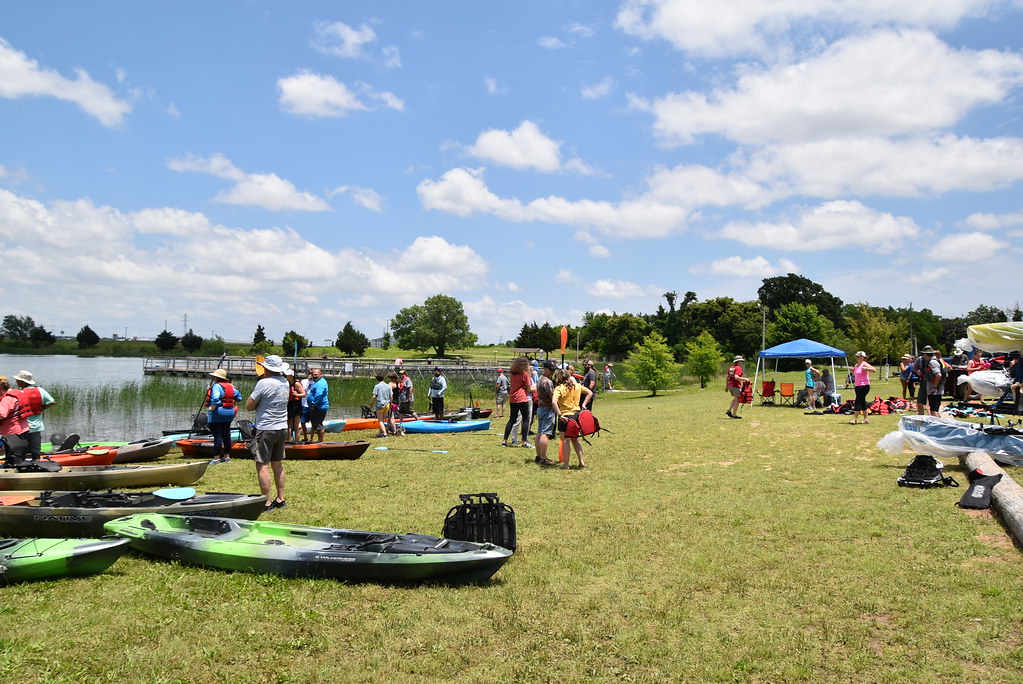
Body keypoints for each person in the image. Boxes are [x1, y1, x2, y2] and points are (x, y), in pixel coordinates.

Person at [246, 355, 290, 512]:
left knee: (262, 464)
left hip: (266, 427)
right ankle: (281, 498)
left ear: (267, 368)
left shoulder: (263, 383)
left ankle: (266, 502)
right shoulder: (285, 382)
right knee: (277, 463)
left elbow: (249, 406)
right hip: (282, 427)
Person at [553, 368, 592, 469]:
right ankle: (581, 461)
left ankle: (566, 464)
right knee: (575, 440)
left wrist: (559, 415)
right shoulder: (577, 386)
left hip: (565, 416)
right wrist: (583, 404)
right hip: (576, 415)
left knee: (565, 440)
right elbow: (589, 393)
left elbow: (554, 402)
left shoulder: (559, 388)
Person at [13, 370, 55, 459]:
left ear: (22, 382)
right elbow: (52, 402)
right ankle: (37, 467)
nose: (16, 382)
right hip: (37, 427)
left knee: (21, 451)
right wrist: (42, 408)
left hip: (23, 428)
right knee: (35, 452)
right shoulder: (40, 390)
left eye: (17, 380)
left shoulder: (19, 393)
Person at [206, 368, 241, 463]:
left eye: (214, 376)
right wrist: (233, 405)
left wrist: (212, 408)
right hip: (229, 412)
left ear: (217, 378)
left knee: (217, 435)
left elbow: (215, 399)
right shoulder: (230, 386)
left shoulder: (217, 386)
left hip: (218, 412)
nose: (213, 378)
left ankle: (216, 458)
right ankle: (226, 457)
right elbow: (239, 397)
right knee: (226, 434)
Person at [501, 356, 536, 448]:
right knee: (526, 419)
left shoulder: (513, 373)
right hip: (522, 398)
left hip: (513, 399)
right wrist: (536, 389)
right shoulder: (525, 374)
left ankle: (504, 441)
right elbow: (529, 389)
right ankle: (524, 442)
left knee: (512, 419)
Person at [533, 360, 558, 466]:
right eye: (550, 370)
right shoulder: (548, 382)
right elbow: (553, 397)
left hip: (540, 408)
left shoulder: (540, 379)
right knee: (545, 434)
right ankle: (543, 458)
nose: (552, 372)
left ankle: (538, 456)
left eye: (553, 370)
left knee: (540, 433)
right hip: (548, 410)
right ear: (545, 369)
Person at [0, 377, 29, 465]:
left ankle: (12, 474)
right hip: (23, 430)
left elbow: (1, 414)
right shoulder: (16, 393)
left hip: (12, 433)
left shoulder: (7, 399)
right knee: (18, 457)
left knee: (13, 459)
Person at [848, 351, 877, 425]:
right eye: (857, 356)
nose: (857, 358)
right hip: (857, 385)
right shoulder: (856, 365)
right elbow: (857, 374)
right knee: (862, 401)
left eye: (859, 356)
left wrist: (866, 368)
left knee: (858, 401)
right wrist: (852, 371)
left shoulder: (864, 364)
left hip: (864, 385)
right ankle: (866, 419)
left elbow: (874, 370)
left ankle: (854, 419)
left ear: (863, 357)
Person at [914, 346, 942, 416]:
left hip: (932, 384)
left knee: (932, 406)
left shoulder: (934, 362)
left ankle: (932, 419)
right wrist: (918, 371)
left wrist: (935, 387)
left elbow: (938, 375)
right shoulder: (920, 360)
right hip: (924, 382)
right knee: (920, 402)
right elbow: (914, 366)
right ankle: (921, 419)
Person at [306, 367, 329, 443]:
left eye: (316, 374)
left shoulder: (320, 383)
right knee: (316, 424)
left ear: (321, 375)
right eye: (313, 374)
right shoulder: (318, 382)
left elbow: (319, 394)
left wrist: (313, 404)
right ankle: (318, 440)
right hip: (317, 407)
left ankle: (320, 441)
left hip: (319, 407)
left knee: (319, 425)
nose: (314, 376)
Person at [371, 373, 392, 438]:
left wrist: (371, 404)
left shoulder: (377, 386)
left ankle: (385, 434)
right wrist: (390, 403)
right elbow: (391, 396)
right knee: (382, 420)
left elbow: (374, 396)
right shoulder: (388, 386)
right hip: (387, 405)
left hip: (380, 405)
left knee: (380, 420)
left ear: (377, 379)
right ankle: (380, 433)